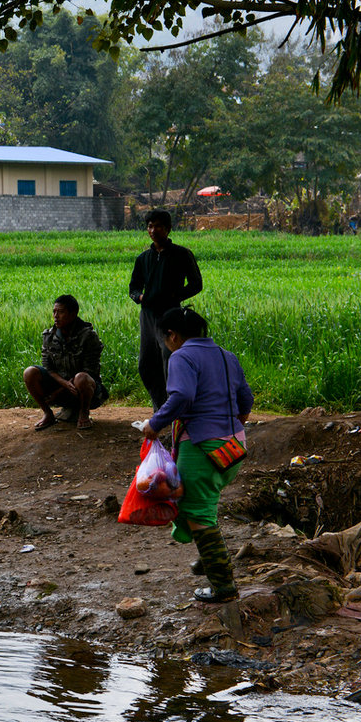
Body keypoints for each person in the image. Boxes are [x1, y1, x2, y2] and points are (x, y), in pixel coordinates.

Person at [141, 307, 253, 603]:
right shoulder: (227, 356)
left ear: (172, 335)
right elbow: (246, 399)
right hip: (233, 447)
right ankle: (211, 556)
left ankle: (223, 586)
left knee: (199, 514)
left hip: (202, 448)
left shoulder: (181, 356)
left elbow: (182, 396)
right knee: (200, 507)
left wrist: (154, 424)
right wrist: (230, 425)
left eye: (165, 339)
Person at [129, 210, 203, 410]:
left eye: (158, 226)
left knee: (170, 361)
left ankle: (175, 408)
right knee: (146, 363)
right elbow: (133, 288)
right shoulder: (143, 258)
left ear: (168, 229)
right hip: (148, 315)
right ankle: (159, 406)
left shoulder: (182, 254)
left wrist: (175, 296)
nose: (153, 230)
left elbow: (196, 284)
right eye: (150, 226)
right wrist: (141, 297)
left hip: (171, 315)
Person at [23, 294, 109, 431]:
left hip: (84, 388)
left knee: (81, 377)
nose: (56, 316)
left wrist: (59, 391)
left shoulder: (88, 336)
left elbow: (90, 371)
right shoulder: (49, 336)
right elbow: (47, 366)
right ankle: (48, 414)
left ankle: (84, 413)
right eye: (54, 312)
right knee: (29, 373)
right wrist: (62, 384)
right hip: (60, 384)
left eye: (61, 312)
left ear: (73, 314)